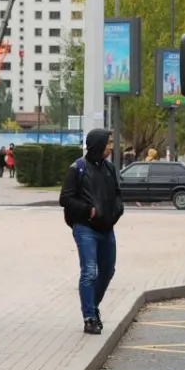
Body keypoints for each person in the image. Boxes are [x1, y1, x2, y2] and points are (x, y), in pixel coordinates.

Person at [59, 128, 125, 335]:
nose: (111, 147)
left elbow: (117, 194)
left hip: (107, 228)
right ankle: (89, 317)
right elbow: (65, 198)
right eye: (108, 143)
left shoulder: (110, 168)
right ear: (97, 145)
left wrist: (117, 210)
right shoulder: (77, 168)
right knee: (89, 271)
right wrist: (89, 210)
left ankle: (92, 306)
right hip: (85, 228)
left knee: (108, 271)